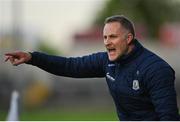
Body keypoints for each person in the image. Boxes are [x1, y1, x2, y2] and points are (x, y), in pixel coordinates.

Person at [4, 15, 180, 121]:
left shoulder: (155, 69)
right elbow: (69, 66)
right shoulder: (107, 61)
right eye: (105, 37)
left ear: (128, 39)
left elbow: (169, 118)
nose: (107, 42)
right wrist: (33, 57)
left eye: (112, 36)